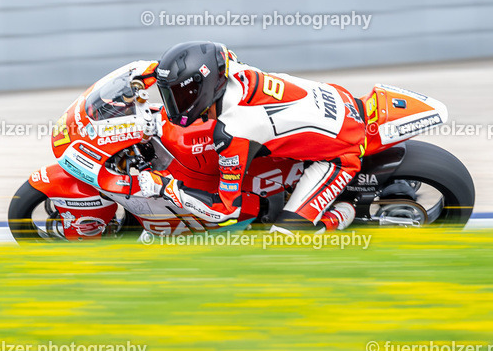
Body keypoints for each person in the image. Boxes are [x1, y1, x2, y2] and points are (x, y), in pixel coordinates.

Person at [135, 41, 363, 233]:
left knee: (282, 241)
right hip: (339, 101)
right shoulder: (228, 66)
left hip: (341, 152)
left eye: (181, 95)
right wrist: (146, 77)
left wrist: (166, 188)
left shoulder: (234, 128)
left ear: (202, 88)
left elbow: (225, 212)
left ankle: (341, 214)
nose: (175, 104)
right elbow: (209, 60)